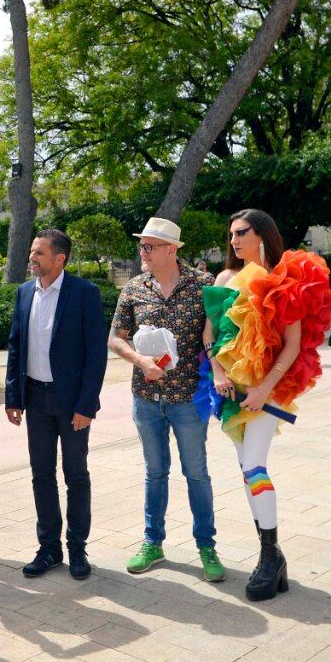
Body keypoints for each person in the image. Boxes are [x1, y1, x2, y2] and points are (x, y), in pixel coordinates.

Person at [202, 210, 331, 601]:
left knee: (255, 466)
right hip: (231, 391)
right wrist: (219, 373)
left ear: (263, 235)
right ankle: (273, 558)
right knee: (246, 469)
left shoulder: (283, 279)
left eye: (241, 232)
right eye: (230, 234)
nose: (234, 240)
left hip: (268, 389)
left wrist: (264, 389)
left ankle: (268, 555)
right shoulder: (225, 279)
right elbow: (209, 333)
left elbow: (293, 346)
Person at [109, 217, 225, 582]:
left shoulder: (203, 285)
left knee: (196, 474)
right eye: (141, 246)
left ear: (171, 250)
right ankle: (152, 542)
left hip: (188, 397)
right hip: (146, 397)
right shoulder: (133, 289)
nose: (142, 252)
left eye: (149, 246)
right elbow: (115, 338)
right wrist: (140, 361)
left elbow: (216, 337)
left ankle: (206, 546)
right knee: (155, 472)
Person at [5, 230, 108, 581]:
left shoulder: (84, 293)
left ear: (60, 258)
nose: (32, 258)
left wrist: (86, 405)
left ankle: (77, 546)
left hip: (72, 403)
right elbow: (16, 347)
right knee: (41, 474)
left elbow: (96, 354)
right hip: (35, 399)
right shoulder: (23, 293)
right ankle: (49, 548)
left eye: (39, 253)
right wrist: (13, 397)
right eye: (32, 251)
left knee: (75, 474)